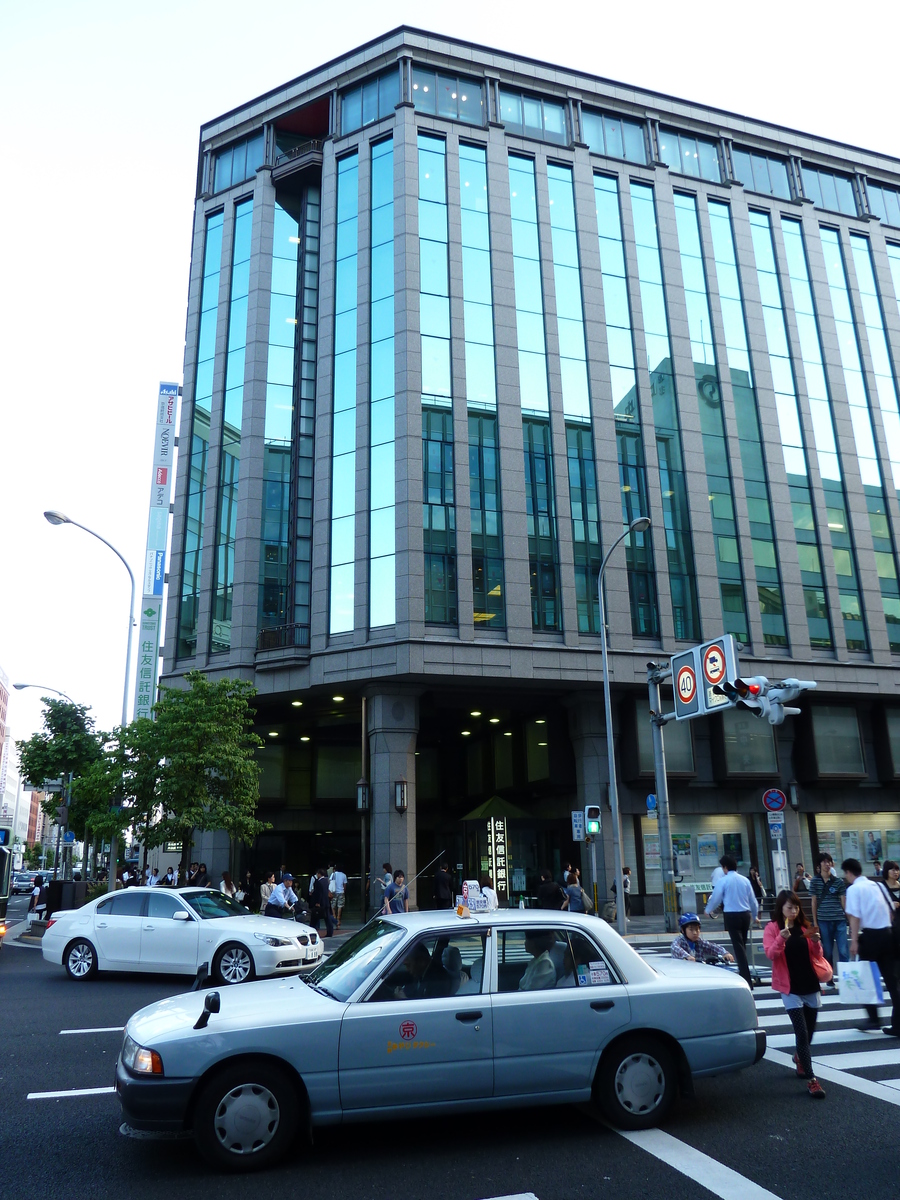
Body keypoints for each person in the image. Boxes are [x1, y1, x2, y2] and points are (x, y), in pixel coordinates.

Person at [763, 890, 828, 1099]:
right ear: (781, 908)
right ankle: (812, 1080)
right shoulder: (773, 928)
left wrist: (817, 941)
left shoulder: (805, 927)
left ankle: (800, 1057)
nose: (793, 910)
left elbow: (817, 955)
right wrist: (781, 939)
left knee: (809, 1034)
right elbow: (770, 954)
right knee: (801, 1033)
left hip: (810, 984)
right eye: (789, 907)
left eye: (796, 907)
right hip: (790, 988)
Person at [843, 857, 900, 1037]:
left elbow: (855, 917)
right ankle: (898, 1024)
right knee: (893, 982)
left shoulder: (854, 889)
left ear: (849, 873)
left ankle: (874, 1018)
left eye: (846, 874)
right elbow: (891, 912)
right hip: (888, 935)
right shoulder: (879, 886)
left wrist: (853, 941)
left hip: (870, 937)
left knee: (865, 977)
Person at [705, 856, 760, 987]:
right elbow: (753, 900)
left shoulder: (723, 881)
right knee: (742, 945)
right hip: (745, 915)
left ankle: (746, 979)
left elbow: (716, 897)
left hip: (731, 915)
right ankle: (744, 972)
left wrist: (708, 910)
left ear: (725, 867)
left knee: (738, 946)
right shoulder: (745, 880)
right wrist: (755, 914)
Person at [809, 852, 847, 985]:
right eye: (824, 862)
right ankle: (829, 977)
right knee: (828, 951)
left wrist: (848, 918)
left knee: (843, 950)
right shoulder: (814, 881)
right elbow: (813, 902)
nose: (827, 864)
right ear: (819, 865)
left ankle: (845, 980)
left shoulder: (838, 882)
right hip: (823, 920)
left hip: (839, 919)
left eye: (829, 862)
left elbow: (843, 902)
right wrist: (815, 922)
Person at [670, 913, 735, 964]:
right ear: (683, 930)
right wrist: (687, 956)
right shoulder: (679, 941)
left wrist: (725, 953)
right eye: (691, 930)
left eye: (697, 929)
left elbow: (712, 947)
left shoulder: (699, 942)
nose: (695, 933)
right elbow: (675, 947)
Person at [310, 866, 335, 937]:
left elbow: (318, 893)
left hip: (320, 903)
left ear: (319, 874)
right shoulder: (326, 881)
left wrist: (317, 902)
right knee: (327, 918)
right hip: (326, 902)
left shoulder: (318, 882)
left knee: (314, 919)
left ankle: (311, 933)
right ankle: (330, 932)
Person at [331, 863, 348, 928]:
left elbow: (330, 882)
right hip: (341, 891)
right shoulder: (344, 875)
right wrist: (344, 891)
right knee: (340, 906)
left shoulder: (333, 874)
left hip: (334, 892)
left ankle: (334, 916)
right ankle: (338, 919)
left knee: (333, 905)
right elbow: (345, 885)